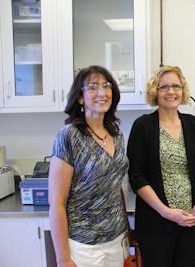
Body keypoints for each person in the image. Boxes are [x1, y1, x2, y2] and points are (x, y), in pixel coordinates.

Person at [126, 65, 195, 267]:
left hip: (191, 220)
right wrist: (166, 212)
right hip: (156, 222)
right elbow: (136, 177)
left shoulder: (193, 124)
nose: (171, 92)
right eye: (164, 87)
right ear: (155, 91)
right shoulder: (143, 126)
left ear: (183, 90)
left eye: (176, 86)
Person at [48, 65, 129, 267]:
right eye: (93, 87)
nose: (102, 92)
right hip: (83, 245)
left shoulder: (117, 135)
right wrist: (63, 259)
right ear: (80, 97)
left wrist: (125, 231)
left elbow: (114, 187)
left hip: (115, 240)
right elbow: (56, 202)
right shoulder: (69, 135)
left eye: (106, 85)